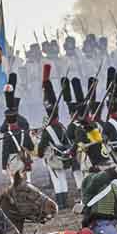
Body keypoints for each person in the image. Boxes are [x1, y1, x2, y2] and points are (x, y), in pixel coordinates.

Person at [38, 67, 73, 209]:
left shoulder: (48, 131)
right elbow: (66, 142)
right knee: (62, 178)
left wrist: (40, 154)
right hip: (62, 156)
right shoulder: (62, 127)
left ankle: (61, 202)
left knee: (57, 179)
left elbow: (42, 145)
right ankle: (64, 200)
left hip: (53, 157)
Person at [1, 74, 34, 182]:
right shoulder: (23, 120)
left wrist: (3, 165)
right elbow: (30, 145)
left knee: (14, 182)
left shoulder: (7, 121)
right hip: (24, 154)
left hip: (13, 157)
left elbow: (2, 130)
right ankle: (29, 181)